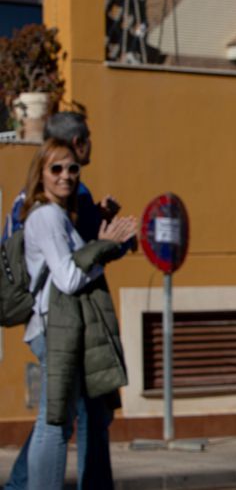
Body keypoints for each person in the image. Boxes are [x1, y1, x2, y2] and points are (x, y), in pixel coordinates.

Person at [3, 112, 132, 490]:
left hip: (61, 321)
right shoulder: (48, 213)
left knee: (62, 415)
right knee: (61, 419)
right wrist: (106, 245)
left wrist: (101, 235)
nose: (66, 175)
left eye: (70, 169)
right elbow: (71, 273)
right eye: (56, 168)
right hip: (59, 321)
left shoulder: (52, 207)